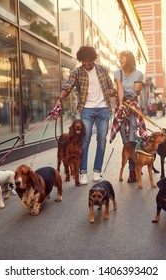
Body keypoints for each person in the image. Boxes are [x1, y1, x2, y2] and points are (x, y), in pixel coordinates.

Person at [54, 46, 116, 185]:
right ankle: (82, 173)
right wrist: (59, 99)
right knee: (85, 140)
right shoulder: (77, 72)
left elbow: (111, 87)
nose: (86, 64)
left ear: (93, 59)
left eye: (89, 61)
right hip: (86, 109)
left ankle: (96, 171)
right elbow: (67, 87)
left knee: (101, 140)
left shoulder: (102, 70)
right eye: (84, 61)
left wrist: (112, 91)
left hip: (103, 109)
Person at [109, 50, 147, 183]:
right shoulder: (117, 73)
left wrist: (138, 90)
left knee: (132, 136)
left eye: (122, 58)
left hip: (133, 106)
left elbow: (138, 92)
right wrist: (120, 104)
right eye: (119, 58)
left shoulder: (139, 74)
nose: (120, 60)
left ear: (129, 59)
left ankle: (132, 171)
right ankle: (135, 164)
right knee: (125, 140)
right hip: (122, 105)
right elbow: (119, 89)